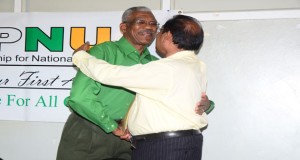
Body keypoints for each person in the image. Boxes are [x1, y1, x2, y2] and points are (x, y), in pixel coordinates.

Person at [57, 6, 214, 160]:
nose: (149, 27)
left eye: (154, 24)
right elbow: (79, 97)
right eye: (141, 22)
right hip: (91, 131)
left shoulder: (157, 65)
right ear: (124, 27)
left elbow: (185, 98)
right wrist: (111, 126)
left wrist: (207, 104)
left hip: (131, 140)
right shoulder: (103, 52)